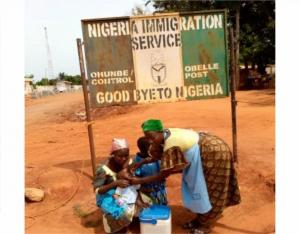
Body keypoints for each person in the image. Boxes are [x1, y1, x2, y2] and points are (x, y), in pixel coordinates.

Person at [141, 119, 241, 234]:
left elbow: (164, 173)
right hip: (204, 150)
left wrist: (137, 181)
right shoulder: (165, 135)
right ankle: (200, 219)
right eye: (146, 137)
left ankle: (205, 224)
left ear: (159, 131)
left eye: (151, 137)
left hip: (214, 152)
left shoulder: (170, 144)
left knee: (212, 189)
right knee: (200, 186)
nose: (149, 140)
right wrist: (142, 161)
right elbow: (172, 164)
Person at [93, 137, 169, 233]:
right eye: (120, 156)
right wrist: (115, 183)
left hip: (126, 191)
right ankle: (114, 225)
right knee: (121, 214)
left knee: (148, 202)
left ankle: (132, 220)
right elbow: (98, 190)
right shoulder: (103, 169)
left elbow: (133, 181)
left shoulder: (128, 161)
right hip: (108, 195)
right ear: (113, 154)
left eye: (126, 155)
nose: (123, 158)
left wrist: (138, 199)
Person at [133, 136, 168, 205]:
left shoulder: (156, 157)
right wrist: (143, 189)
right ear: (144, 149)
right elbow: (135, 182)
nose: (154, 148)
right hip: (147, 195)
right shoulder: (137, 163)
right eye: (152, 147)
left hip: (161, 191)